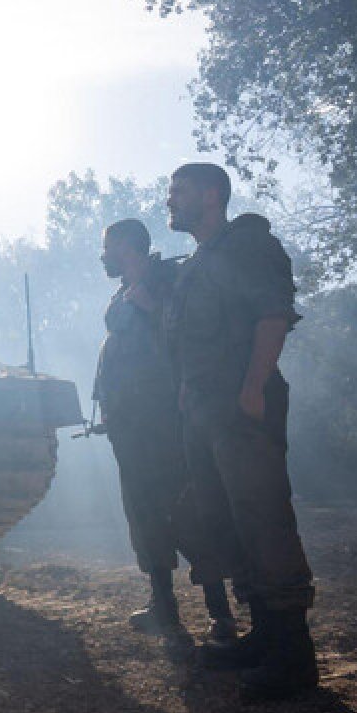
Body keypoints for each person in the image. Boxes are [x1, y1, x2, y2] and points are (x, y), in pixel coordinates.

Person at [164, 163, 317, 701]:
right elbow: (191, 339)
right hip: (205, 410)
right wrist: (188, 389)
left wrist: (254, 386)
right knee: (223, 521)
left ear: (211, 194)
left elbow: (272, 315)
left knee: (263, 519)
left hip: (241, 405)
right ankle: (265, 636)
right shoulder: (197, 262)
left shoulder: (247, 244)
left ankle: (294, 655)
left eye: (177, 192)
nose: (169, 202)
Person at [94, 219, 236, 642]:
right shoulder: (120, 297)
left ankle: (220, 613)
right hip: (129, 427)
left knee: (187, 509)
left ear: (126, 246)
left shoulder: (172, 282)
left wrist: (155, 311)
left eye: (108, 246)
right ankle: (164, 608)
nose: (104, 255)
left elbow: (194, 339)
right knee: (143, 513)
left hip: (167, 423)